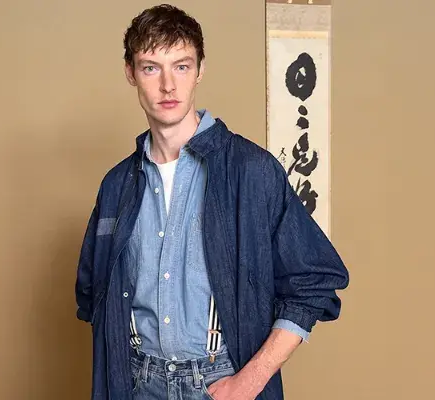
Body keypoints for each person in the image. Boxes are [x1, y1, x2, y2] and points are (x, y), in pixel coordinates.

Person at [75, 4, 349, 399]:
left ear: (200, 70)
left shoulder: (251, 170)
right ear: (130, 73)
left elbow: (314, 283)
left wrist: (251, 380)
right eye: (151, 68)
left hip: (220, 381)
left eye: (181, 67)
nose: (168, 86)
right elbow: (92, 296)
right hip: (136, 383)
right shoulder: (117, 185)